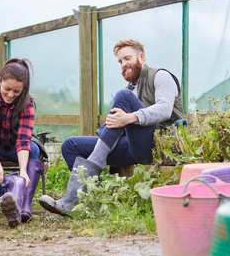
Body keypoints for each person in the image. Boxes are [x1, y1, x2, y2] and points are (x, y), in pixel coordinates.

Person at [39, 39, 186, 217]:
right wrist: (117, 124)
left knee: (122, 96)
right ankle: (97, 203)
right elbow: (120, 125)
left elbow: (164, 109)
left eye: (127, 58)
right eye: (120, 61)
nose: (123, 64)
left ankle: (75, 193)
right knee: (70, 145)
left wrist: (130, 117)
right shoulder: (131, 89)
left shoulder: (160, 76)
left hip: (158, 145)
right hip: (132, 146)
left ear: (141, 57)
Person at [0, 58, 46, 228]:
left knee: (34, 148)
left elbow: (23, 139)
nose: (11, 95)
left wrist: (23, 172)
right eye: (7, 89)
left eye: (17, 91)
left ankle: (23, 204)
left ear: (24, 89)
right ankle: (5, 199)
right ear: (0, 81)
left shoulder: (27, 103)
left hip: (14, 148)